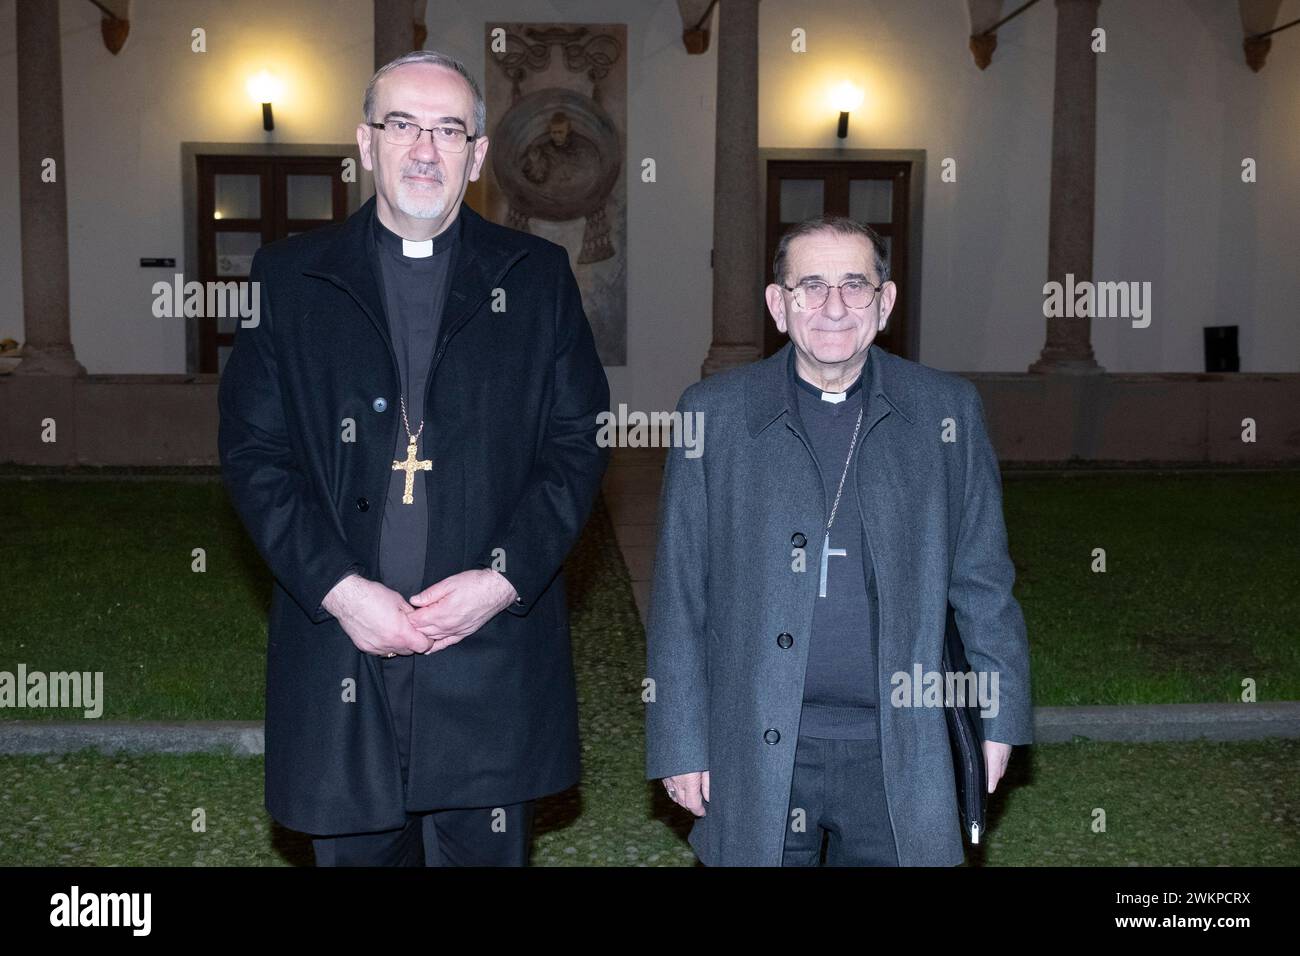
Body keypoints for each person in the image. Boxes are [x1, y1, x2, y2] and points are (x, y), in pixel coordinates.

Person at [218, 50, 609, 866]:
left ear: (476, 156)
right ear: (365, 143)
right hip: (344, 649)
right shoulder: (290, 279)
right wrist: (340, 589)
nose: (425, 149)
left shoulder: (534, 279)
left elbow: (576, 447)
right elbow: (255, 454)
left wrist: (503, 580)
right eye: (402, 125)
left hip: (486, 649)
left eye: (448, 130)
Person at [645, 216, 1032, 866]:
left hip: (900, 743)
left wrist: (1000, 716)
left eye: (855, 286)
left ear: (886, 303)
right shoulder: (713, 414)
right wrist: (680, 740)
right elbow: (681, 594)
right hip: (759, 742)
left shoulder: (945, 411)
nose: (832, 307)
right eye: (810, 286)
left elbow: (984, 582)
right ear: (778, 303)